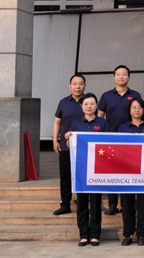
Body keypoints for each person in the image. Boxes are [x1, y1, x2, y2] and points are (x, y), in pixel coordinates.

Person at [97, 65, 143, 215]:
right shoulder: (106, 96)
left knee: (129, 171)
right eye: (118, 74)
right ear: (114, 77)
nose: (121, 77)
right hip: (111, 139)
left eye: (124, 74)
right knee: (112, 172)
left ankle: (127, 204)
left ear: (129, 77)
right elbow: (99, 117)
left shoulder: (135, 95)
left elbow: (140, 113)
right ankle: (112, 203)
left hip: (131, 140)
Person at [64, 93, 107, 247]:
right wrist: (68, 138)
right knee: (81, 203)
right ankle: (83, 235)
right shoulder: (76, 124)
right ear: (81, 106)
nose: (89, 106)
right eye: (86, 104)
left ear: (96, 106)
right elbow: (70, 146)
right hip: (81, 169)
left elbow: (108, 144)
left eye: (92, 104)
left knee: (95, 203)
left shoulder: (103, 123)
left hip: (97, 169)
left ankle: (95, 235)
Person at [118, 99, 144, 246]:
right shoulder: (123, 128)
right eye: (134, 107)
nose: (137, 110)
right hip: (127, 172)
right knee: (127, 205)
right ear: (129, 110)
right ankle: (128, 234)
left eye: (139, 107)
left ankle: (142, 234)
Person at [52, 74, 86, 216]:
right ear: (70, 86)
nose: (77, 87)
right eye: (75, 84)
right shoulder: (63, 102)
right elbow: (57, 121)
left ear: (84, 86)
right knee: (65, 175)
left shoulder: (88, 102)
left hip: (85, 147)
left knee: (83, 176)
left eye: (81, 84)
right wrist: (55, 140)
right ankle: (65, 204)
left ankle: (84, 204)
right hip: (66, 146)